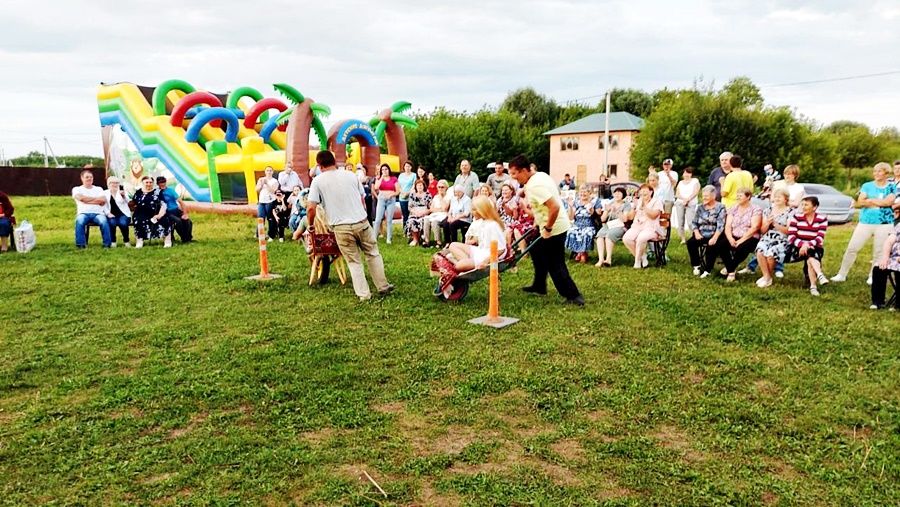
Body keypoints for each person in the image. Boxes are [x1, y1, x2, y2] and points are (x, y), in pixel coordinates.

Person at [307, 150, 393, 302]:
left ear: (319, 165)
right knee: (373, 253)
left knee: (354, 262)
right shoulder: (351, 175)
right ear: (334, 160)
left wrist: (311, 225)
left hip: (341, 227)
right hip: (361, 221)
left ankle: (364, 295)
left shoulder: (318, 181)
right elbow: (362, 199)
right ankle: (383, 286)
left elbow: (311, 207)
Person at [508, 154, 584, 305]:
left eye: (515, 175)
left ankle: (574, 296)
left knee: (555, 263)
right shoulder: (540, 176)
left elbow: (554, 207)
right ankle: (539, 285)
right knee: (536, 250)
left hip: (554, 227)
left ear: (524, 170)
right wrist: (539, 222)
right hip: (549, 223)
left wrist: (548, 228)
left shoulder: (535, 186)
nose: (515, 180)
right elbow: (542, 205)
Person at [832, 162, 897, 284]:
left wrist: (871, 200)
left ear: (886, 173)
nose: (876, 174)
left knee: (879, 251)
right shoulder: (867, 185)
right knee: (852, 248)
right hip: (865, 222)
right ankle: (842, 274)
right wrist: (878, 202)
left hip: (884, 223)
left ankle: (873, 276)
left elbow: (888, 202)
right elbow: (861, 202)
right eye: (874, 171)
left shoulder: (892, 187)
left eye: (879, 171)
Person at [445, 195, 508, 271]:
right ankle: (467, 261)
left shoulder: (493, 225)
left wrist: (485, 262)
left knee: (459, 266)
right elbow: (481, 240)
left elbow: (501, 249)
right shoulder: (481, 222)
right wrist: (473, 241)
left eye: (474, 210)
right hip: (481, 251)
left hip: (489, 255)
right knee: (453, 245)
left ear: (482, 210)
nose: (472, 212)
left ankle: (463, 262)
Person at [715, 188, 762, 282]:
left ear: (748, 197)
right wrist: (730, 238)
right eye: (737, 196)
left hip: (749, 236)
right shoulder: (733, 208)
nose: (738, 197)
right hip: (733, 234)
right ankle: (731, 270)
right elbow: (728, 226)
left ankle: (730, 269)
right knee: (721, 245)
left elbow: (755, 227)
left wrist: (741, 240)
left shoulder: (756, 209)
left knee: (742, 248)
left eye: (740, 196)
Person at [786, 196, 829, 296]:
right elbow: (791, 237)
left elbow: (820, 238)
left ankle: (814, 285)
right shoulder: (796, 217)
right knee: (811, 255)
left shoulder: (822, 219)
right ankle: (818, 277)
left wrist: (807, 245)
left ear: (814, 207)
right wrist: (803, 244)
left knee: (810, 257)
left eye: (806, 205)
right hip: (797, 247)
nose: (803, 207)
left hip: (814, 246)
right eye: (802, 205)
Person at [753, 189, 793, 288]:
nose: (777, 198)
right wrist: (767, 223)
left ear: (786, 199)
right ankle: (767, 277)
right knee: (760, 250)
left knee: (771, 253)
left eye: (779, 197)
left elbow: (789, 231)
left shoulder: (791, 212)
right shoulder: (768, 210)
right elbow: (762, 231)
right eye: (775, 197)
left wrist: (775, 224)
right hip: (768, 237)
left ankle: (767, 278)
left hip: (782, 239)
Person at [687, 185, 726, 277]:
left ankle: (708, 270)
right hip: (701, 232)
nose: (704, 198)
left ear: (714, 196)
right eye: (703, 196)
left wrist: (715, 237)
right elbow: (694, 222)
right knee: (691, 243)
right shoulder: (700, 207)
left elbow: (721, 225)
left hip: (715, 233)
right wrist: (696, 232)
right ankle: (696, 265)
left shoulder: (720, 207)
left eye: (706, 196)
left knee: (711, 245)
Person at [623, 184, 663, 269]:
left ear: (651, 192)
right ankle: (643, 257)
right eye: (641, 191)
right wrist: (633, 207)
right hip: (637, 226)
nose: (643, 193)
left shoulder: (656, 202)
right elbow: (630, 217)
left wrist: (644, 207)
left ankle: (637, 261)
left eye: (645, 191)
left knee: (641, 238)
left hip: (651, 228)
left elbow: (654, 216)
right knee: (626, 238)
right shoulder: (638, 202)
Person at [72, 170, 112, 249]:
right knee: (79, 221)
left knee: (104, 221)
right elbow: (81, 198)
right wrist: (96, 200)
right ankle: (81, 245)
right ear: (82, 178)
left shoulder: (99, 189)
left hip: (98, 213)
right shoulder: (77, 189)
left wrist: (86, 200)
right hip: (83, 213)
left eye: (91, 177)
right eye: (87, 177)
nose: (89, 179)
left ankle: (107, 244)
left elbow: (103, 200)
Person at [594, 187, 631, 267]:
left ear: (623, 195)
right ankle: (601, 259)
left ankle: (608, 259)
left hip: (620, 226)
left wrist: (617, 211)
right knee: (600, 235)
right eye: (615, 192)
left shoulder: (626, 205)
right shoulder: (610, 203)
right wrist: (607, 211)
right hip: (609, 225)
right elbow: (602, 219)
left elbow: (625, 219)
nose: (617, 194)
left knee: (609, 235)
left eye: (619, 193)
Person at [131, 176, 171, 248]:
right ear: (142, 183)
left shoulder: (158, 192)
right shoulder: (138, 192)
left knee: (165, 219)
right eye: (147, 182)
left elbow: (163, 204)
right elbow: (133, 203)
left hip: (156, 213)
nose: (149, 184)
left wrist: (159, 215)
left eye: (150, 182)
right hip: (141, 213)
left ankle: (167, 241)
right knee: (139, 220)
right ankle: (139, 241)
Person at [565, 185, 601, 263]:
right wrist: (570, 207)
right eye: (581, 192)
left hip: (589, 225)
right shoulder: (576, 203)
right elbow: (571, 218)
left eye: (585, 192)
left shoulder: (593, 202)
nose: (583, 194)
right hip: (577, 224)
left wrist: (591, 209)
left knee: (586, 233)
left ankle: (582, 253)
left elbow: (595, 215)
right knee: (571, 231)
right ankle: (580, 253)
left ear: (589, 193)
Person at [870, 221, 900, 309]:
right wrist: (885, 257)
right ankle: (878, 301)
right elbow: (889, 242)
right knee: (879, 268)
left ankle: (898, 304)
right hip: (894, 258)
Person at [157, 176, 193, 243]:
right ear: (157, 184)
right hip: (167, 212)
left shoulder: (171, 190)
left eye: (163, 182)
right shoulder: (157, 192)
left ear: (165, 182)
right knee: (178, 222)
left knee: (188, 221)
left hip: (176, 210)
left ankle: (188, 238)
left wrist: (185, 214)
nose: (162, 184)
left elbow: (181, 203)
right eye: (160, 183)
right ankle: (184, 238)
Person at [373, 164, 400, 244]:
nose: (384, 171)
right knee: (378, 219)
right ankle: (374, 238)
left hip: (391, 200)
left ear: (389, 170)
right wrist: (381, 177)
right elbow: (376, 187)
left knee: (389, 220)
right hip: (381, 199)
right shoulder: (379, 178)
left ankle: (389, 238)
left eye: (386, 169)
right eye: (383, 170)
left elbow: (398, 191)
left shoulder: (394, 178)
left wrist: (391, 195)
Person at [673, 167, 700, 244]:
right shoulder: (680, 183)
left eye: (688, 173)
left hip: (691, 203)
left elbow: (696, 191)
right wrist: (684, 199)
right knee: (680, 221)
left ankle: (694, 236)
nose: (686, 174)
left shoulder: (695, 181)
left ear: (691, 174)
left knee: (690, 221)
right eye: (685, 173)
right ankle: (683, 239)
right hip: (680, 203)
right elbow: (677, 194)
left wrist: (688, 199)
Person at [103, 176, 132, 247]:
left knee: (123, 223)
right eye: (113, 183)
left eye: (117, 183)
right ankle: (113, 241)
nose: (115, 185)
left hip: (123, 214)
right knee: (112, 223)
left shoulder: (123, 192)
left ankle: (126, 241)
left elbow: (129, 202)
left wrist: (124, 196)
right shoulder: (104, 193)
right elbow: (103, 205)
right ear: (108, 184)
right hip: (111, 214)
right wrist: (108, 213)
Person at [405, 179, 432, 246]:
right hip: (414, 213)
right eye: (418, 185)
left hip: (424, 213)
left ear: (424, 186)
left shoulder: (428, 195)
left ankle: (421, 238)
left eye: (421, 185)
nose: (419, 187)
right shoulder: (412, 195)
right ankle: (415, 239)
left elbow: (430, 208)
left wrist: (423, 213)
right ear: (415, 187)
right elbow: (410, 207)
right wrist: (416, 213)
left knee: (422, 221)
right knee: (411, 221)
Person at [423, 180, 451, 247]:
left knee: (434, 222)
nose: (440, 189)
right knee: (426, 220)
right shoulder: (435, 197)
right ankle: (427, 241)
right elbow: (431, 209)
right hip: (435, 214)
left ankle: (438, 241)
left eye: (442, 187)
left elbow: (445, 208)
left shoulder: (448, 197)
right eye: (439, 187)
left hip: (444, 215)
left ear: (446, 188)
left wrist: (441, 197)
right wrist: (438, 209)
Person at [256, 166, 279, 240]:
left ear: (272, 172)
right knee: (260, 217)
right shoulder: (261, 179)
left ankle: (271, 234)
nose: (269, 172)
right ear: (265, 172)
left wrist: (267, 183)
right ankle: (259, 234)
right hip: (261, 201)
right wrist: (262, 184)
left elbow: (273, 191)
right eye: (267, 170)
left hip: (270, 201)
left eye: (270, 170)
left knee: (270, 218)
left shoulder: (274, 181)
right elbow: (257, 190)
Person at [397, 160, 416, 228]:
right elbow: (398, 185)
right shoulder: (401, 175)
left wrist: (407, 193)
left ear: (411, 167)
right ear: (404, 167)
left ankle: (412, 228)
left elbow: (414, 186)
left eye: (409, 166)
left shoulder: (414, 175)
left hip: (410, 197)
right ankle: (405, 229)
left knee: (411, 213)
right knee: (405, 214)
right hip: (402, 197)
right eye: (406, 166)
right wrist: (403, 193)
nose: (407, 167)